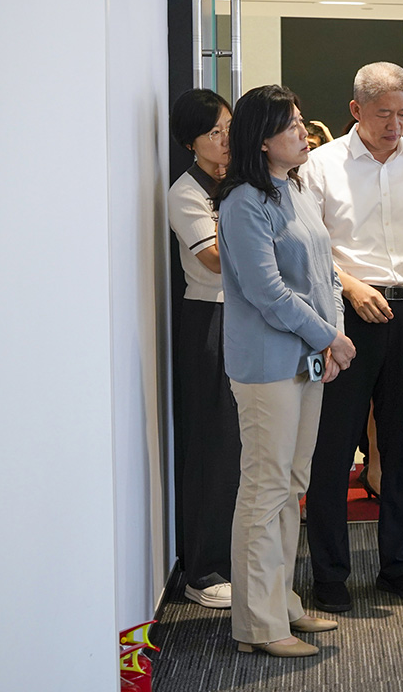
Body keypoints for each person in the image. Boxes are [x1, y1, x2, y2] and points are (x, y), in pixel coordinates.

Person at [301, 62, 403, 613]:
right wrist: (349, 284)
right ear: (355, 110)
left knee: (400, 444)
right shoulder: (321, 165)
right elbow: (308, 248)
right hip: (346, 315)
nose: (395, 125)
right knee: (333, 448)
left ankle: (397, 566)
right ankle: (330, 574)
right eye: (384, 113)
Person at [216, 84, 356, 658]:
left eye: (301, 120)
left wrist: (331, 339)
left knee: (292, 485)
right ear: (261, 138)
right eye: (291, 124)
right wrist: (330, 338)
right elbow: (267, 292)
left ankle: (281, 602)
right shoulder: (242, 201)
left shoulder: (294, 188)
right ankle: (257, 624)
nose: (304, 131)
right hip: (267, 364)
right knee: (265, 489)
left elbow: (325, 274)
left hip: (307, 356)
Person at [168, 88, 240, 609]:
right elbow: (213, 259)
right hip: (210, 318)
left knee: (245, 450)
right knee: (214, 447)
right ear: (190, 142)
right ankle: (203, 570)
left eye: (229, 129)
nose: (225, 140)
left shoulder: (236, 183)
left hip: (247, 316)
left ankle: (237, 560)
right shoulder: (185, 192)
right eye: (214, 132)